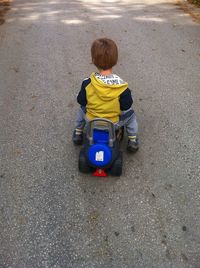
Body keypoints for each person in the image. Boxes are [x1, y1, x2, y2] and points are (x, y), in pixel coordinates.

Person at [72, 38, 139, 153]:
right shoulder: (121, 86)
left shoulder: (87, 83)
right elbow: (126, 105)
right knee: (131, 115)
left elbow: (81, 101)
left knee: (82, 109)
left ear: (93, 60)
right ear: (115, 60)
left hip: (92, 121)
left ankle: (78, 132)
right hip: (113, 123)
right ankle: (132, 140)